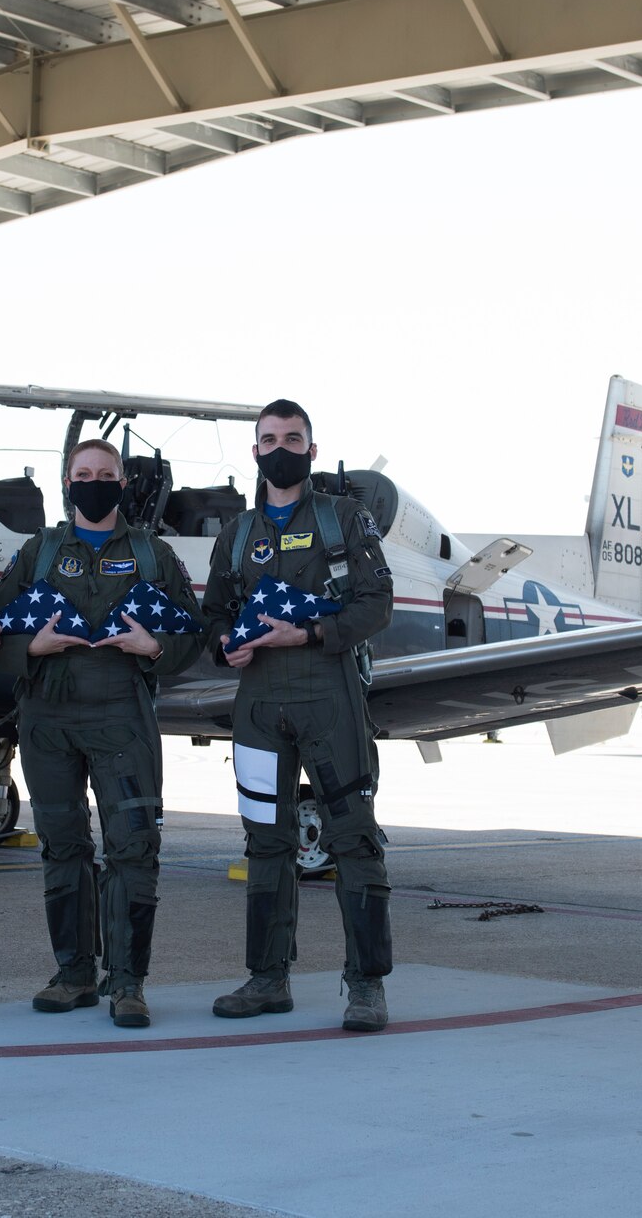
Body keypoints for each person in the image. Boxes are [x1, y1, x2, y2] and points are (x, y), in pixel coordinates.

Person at [0, 438, 205, 1028]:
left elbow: (193, 633)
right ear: (68, 482)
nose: (95, 482)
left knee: (133, 847)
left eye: (106, 474)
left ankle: (127, 982)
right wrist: (32, 646)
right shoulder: (41, 551)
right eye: (84, 474)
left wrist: (154, 647)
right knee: (64, 846)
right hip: (47, 719)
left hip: (122, 716)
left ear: (123, 482)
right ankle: (74, 973)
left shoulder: (154, 554)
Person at [200, 399, 396, 1032]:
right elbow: (216, 614)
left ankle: (366, 986)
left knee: (353, 837)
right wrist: (224, 644)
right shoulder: (236, 535)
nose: (279, 447)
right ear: (254, 451)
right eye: (268, 438)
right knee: (265, 841)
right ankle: (267, 979)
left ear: (311, 450)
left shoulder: (343, 519)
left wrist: (309, 633)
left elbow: (375, 607)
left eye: (292, 438)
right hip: (257, 703)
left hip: (327, 694)